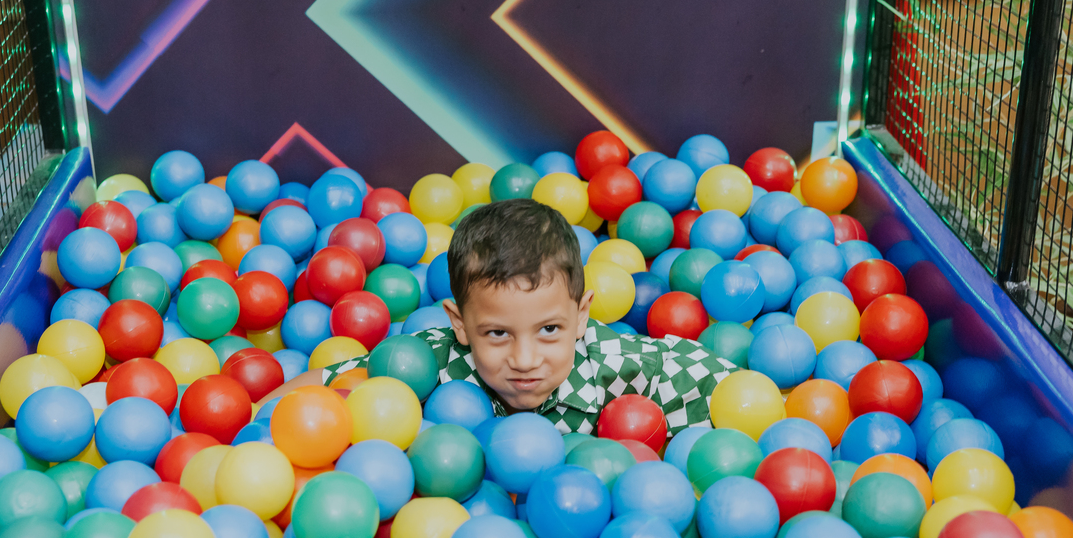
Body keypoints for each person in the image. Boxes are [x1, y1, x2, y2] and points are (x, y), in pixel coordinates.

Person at [263, 198, 736, 434]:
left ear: (582, 314)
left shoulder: (630, 368)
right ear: (459, 325)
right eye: (496, 333)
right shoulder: (430, 366)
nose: (525, 359)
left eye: (550, 329)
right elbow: (306, 395)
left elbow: (740, 396)